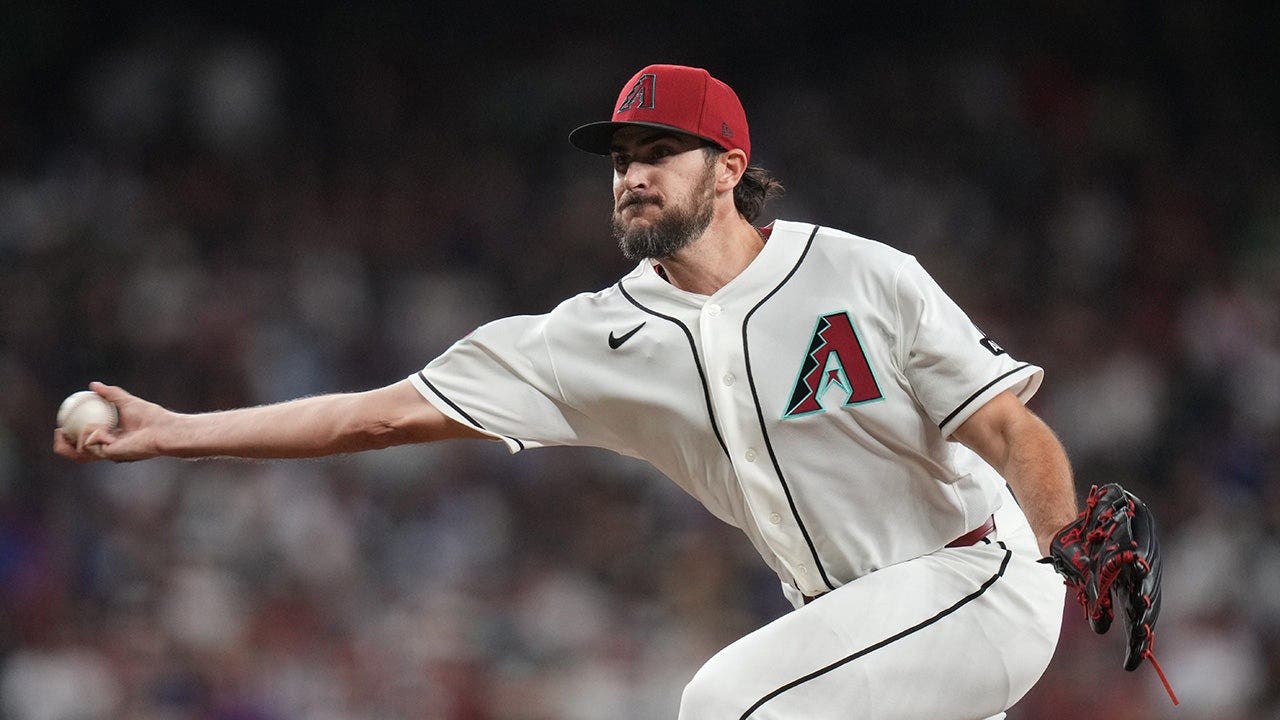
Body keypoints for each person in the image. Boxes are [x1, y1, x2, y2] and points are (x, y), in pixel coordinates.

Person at [57, 64, 1081, 719]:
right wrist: (175, 432)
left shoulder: (859, 273)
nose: (631, 175)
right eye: (620, 159)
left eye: (658, 153)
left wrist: (1064, 540)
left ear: (728, 167)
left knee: (726, 704)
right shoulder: (592, 337)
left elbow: (1006, 428)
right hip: (857, 632)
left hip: (979, 576)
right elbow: (374, 415)